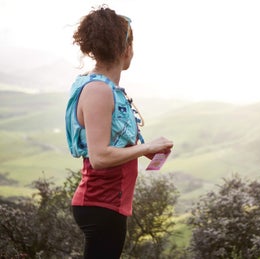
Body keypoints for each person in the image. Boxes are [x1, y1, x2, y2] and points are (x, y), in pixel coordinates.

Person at [65, 6, 173, 259]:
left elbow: (112, 142)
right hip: (99, 204)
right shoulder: (98, 90)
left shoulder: (104, 87)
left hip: (107, 204)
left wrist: (148, 150)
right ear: (126, 49)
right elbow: (100, 157)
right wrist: (146, 148)